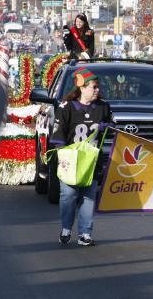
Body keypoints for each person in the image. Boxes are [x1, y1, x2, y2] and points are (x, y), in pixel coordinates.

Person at [51, 67, 114, 246]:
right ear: (82, 88)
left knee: (89, 195)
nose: (97, 90)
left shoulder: (103, 107)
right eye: (93, 87)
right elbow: (58, 134)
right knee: (69, 194)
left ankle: (85, 233)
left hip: (92, 159)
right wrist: (63, 155)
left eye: (97, 87)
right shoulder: (66, 107)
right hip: (70, 159)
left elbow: (113, 124)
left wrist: (106, 126)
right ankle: (66, 228)